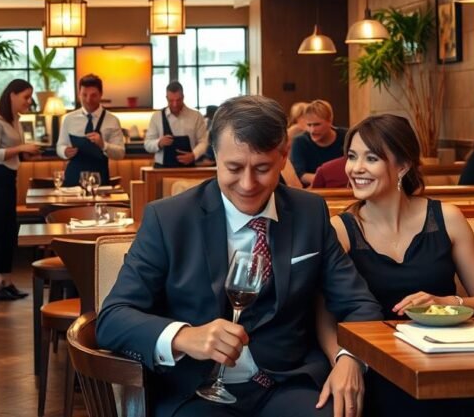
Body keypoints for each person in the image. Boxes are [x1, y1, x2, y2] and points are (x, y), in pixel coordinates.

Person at [97, 95, 381, 417]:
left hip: (287, 383)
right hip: (195, 392)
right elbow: (113, 318)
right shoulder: (168, 219)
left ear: (284, 156)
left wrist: (349, 359)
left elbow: (359, 303)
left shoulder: (309, 212)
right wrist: (185, 336)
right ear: (215, 156)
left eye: (262, 168)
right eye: (234, 168)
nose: (247, 184)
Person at [322, 114, 474, 417]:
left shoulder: (448, 218)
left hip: (446, 359)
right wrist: (341, 359)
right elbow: (323, 315)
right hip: (380, 365)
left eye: (371, 158)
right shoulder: (341, 229)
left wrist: (447, 302)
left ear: (402, 165)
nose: (355, 168)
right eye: (351, 157)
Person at [0, 79, 42, 301]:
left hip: (7, 178)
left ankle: (6, 281)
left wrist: (25, 153)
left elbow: (11, 151)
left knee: (7, 230)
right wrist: (22, 148)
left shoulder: (14, 119)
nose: (29, 101)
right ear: (11, 95)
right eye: (25, 96)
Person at [56, 73, 125, 186]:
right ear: (79, 94)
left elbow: (120, 153)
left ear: (101, 94)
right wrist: (64, 151)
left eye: (93, 95)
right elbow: (60, 146)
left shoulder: (112, 120)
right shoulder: (69, 119)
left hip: (99, 179)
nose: (88, 99)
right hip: (72, 178)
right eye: (84, 95)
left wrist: (103, 145)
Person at [144, 81, 209, 168]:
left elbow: (204, 142)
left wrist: (194, 155)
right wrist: (159, 143)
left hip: (189, 169)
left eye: (178, 100)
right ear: (166, 98)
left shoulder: (196, 116)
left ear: (183, 97)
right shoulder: (157, 117)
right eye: (171, 101)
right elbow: (147, 144)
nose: (175, 104)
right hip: (161, 169)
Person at [289, 100, 347, 186]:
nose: (312, 130)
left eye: (317, 125)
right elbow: (299, 173)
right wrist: (323, 179)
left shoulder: (346, 137)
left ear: (330, 121)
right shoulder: (300, 141)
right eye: (309, 125)